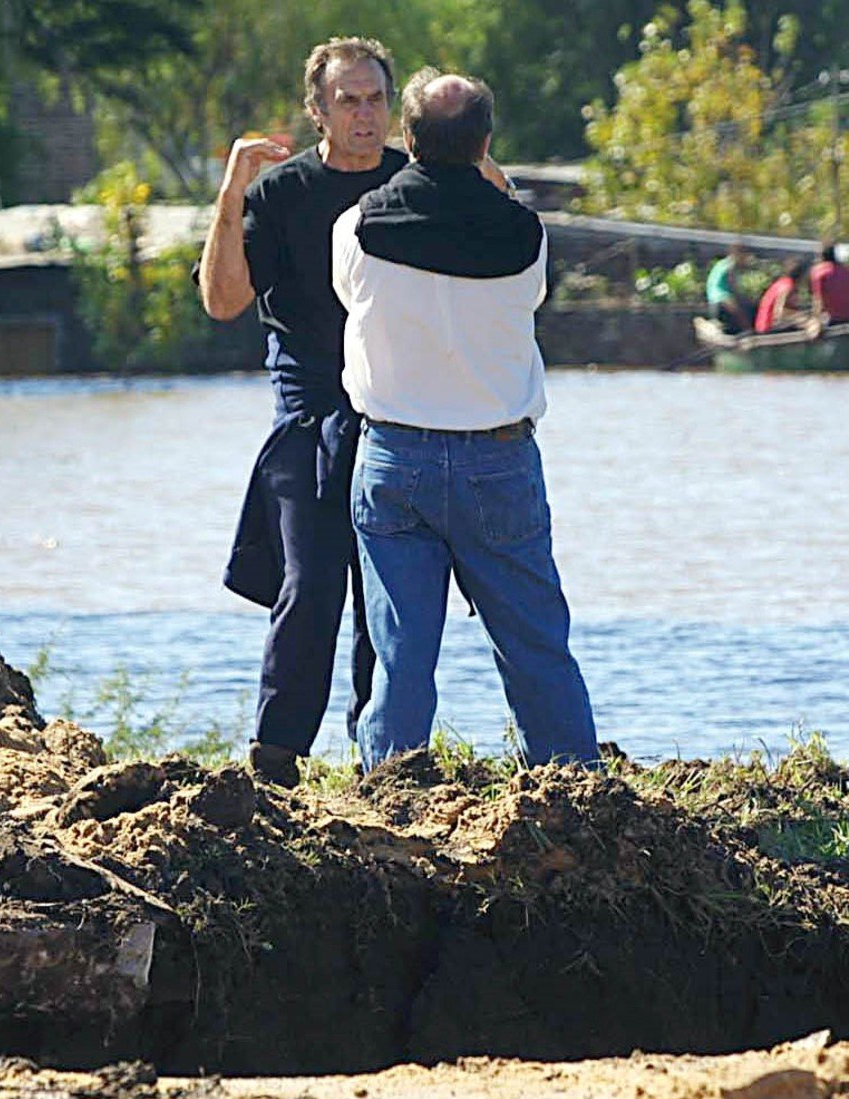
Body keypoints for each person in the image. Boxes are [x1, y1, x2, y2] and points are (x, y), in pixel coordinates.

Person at [331, 67, 601, 772]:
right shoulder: (524, 237)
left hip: (393, 457)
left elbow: (347, 297)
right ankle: (574, 789)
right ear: (485, 143)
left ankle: (389, 791)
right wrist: (488, 173)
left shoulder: (356, 228)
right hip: (497, 459)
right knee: (534, 644)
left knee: (401, 653)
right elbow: (527, 284)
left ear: (406, 138)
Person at [197, 38, 407, 789]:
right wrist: (231, 191)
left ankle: (383, 758)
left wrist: (480, 172)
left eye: (375, 98)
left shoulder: (411, 185)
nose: (363, 113)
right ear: (316, 111)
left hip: (395, 408)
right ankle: (274, 758)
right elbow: (223, 302)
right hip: (308, 411)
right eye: (347, 99)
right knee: (312, 580)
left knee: (389, 588)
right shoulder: (278, 193)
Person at [808, 242, 849, 325]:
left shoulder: (818, 272)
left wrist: (814, 321)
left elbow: (818, 300)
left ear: (820, 256)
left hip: (838, 320)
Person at [754, 258, 813, 333]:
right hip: (767, 328)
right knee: (807, 321)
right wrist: (799, 315)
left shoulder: (783, 282)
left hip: (765, 326)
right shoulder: (787, 286)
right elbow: (780, 313)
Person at [706, 243, 753, 335]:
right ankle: (748, 330)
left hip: (713, 301)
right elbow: (733, 289)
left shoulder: (722, 263)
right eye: (745, 257)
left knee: (742, 302)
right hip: (721, 300)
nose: (746, 260)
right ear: (739, 255)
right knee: (740, 308)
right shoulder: (731, 266)